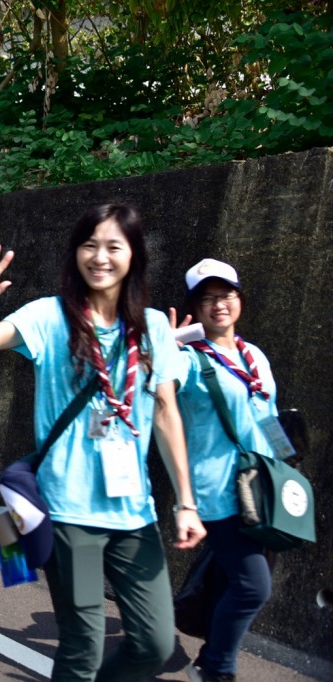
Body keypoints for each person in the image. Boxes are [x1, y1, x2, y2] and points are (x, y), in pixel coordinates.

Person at [0, 203, 205, 681]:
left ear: (134, 256)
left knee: (154, 645)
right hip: (70, 514)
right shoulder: (49, 316)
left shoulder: (153, 329)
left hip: (135, 513)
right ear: (75, 253)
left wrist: (186, 503)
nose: (100, 256)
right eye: (90, 245)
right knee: (82, 648)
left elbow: (168, 412)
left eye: (114, 246)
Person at [170, 259, 276, 682]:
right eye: (207, 298)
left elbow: (265, 416)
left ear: (240, 299)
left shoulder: (255, 356)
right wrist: (164, 346)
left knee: (233, 578)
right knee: (253, 587)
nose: (219, 304)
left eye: (226, 294)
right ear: (196, 306)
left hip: (263, 490)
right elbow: (149, 386)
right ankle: (216, 670)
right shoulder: (189, 361)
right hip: (218, 494)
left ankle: (210, 652)